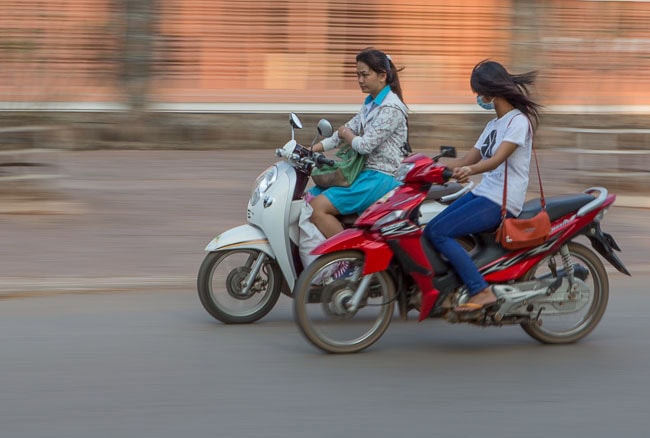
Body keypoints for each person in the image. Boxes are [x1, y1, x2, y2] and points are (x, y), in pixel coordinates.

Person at [423, 59, 541, 313]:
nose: (478, 97)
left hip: (502, 201)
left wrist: (471, 170)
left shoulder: (517, 122)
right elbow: (466, 160)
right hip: (484, 193)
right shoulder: (491, 126)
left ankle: (481, 290)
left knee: (440, 233)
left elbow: (498, 159)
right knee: (430, 228)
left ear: (491, 91)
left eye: (478, 92)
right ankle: (451, 288)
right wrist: (425, 164)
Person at [309, 47, 409, 240]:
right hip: (363, 174)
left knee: (317, 209)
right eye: (358, 75)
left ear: (382, 76)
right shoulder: (371, 103)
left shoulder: (391, 107)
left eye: (365, 75)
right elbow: (341, 133)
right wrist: (309, 150)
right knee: (309, 197)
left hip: (382, 177)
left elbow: (364, 145)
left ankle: (348, 261)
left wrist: (346, 133)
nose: (360, 80)